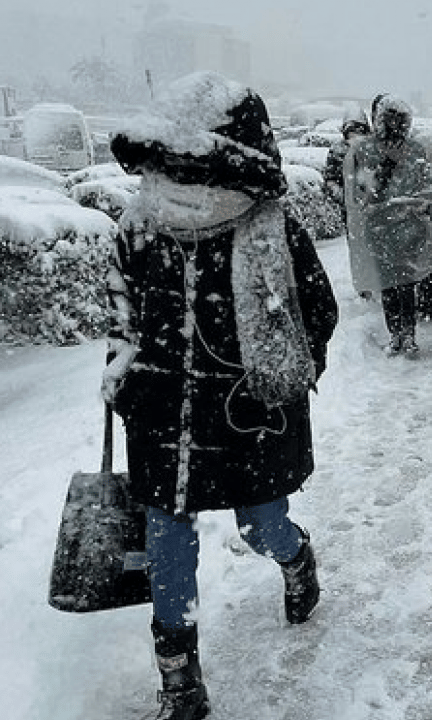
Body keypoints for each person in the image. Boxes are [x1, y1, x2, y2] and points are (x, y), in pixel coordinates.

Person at [103, 71, 339, 720]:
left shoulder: (272, 229)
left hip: (249, 417)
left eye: (199, 161)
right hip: (162, 417)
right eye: (175, 160)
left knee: (261, 527)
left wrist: (279, 376)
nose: (184, 176)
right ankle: (179, 679)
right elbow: (122, 313)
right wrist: (123, 375)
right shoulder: (139, 226)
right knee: (168, 545)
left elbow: (317, 313)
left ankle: (295, 557)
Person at [343, 94, 432, 354]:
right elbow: (359, 190)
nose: (394, 126)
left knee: (404, 283)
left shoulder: (414, 150)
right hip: (381, 227)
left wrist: (411, 204)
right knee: (391, 283)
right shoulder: (366, 150)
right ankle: (398, 334)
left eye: (398, 120)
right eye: (390, 120)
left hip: (406, 228)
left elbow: (429, 185)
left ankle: (405, 334)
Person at [322, 116, 371, 220]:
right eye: (351, 135)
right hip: (348, 204)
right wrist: (339, 193)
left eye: (358, 134)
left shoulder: (372, 150)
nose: (355, 138)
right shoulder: (338, 150)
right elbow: (330, 176)